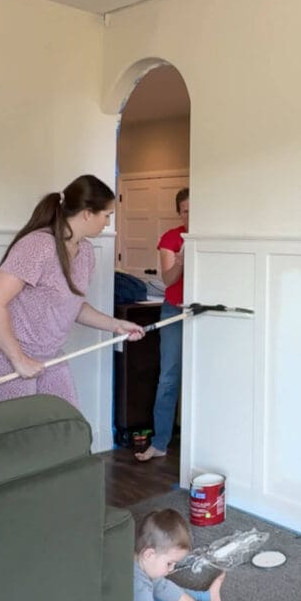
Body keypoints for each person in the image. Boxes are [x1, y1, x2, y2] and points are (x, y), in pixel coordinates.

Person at [0, 174, 145, 407]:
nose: (107, 223)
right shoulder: (38, 246)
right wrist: (18, 358)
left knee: (62, 425)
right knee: (15, 438)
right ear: (87, 213)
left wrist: (116, 325)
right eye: (107, 216)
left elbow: (72, 306)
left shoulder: (85, 252)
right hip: (6, 352)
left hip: (48, 354)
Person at [136, 187, 189, 461]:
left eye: (195, 210)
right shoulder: (171, 238)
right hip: (174, 311)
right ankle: (159, 443)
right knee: (169, 376)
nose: (190, 216)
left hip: (201, 312)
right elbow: (169, 280)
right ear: (179, 212)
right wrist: (182, 257)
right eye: (185, 211)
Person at [133, 508, 225, 601]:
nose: (171, 569)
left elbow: (163, 587)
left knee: (165, 592)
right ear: (149, 554)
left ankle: (206, 597)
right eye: (169, 563)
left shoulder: (141, 564)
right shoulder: (138, 586)